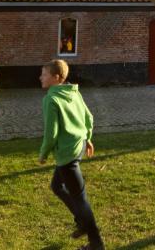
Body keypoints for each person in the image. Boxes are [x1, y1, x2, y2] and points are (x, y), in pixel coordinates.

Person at [39, 59, 105, 250]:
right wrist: (88, 138)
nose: (40, 77)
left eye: (44, 74)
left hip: (67, 154)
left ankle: (96, 243)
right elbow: (88, 117)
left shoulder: (51, 99)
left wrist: (43, 153)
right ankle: (81, 222)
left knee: (80, 198)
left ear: (56, 77)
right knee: (57, 186)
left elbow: (51, 134)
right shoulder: (73, 92)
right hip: (79, 146)